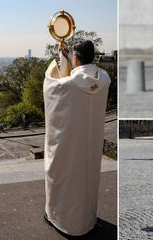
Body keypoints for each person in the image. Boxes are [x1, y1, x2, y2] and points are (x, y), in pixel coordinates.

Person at [43, 40, 111, 237]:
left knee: (66, 180)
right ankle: (86, 219)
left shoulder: (68, 84)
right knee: (87, 182)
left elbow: (51, 83)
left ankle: (60, 218)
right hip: (91, 145)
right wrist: (67, 60)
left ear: (76, 58)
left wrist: (61, 61)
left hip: (69, 146)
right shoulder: (104, 78)